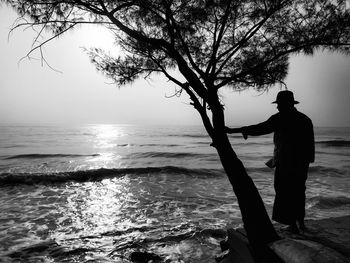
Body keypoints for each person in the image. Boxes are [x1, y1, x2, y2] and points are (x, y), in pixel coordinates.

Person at [226, 90, 315, 233]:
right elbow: (310, 144)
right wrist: (307, 161)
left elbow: (260, 128)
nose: (278, 107)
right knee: (298, 191)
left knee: (284, 192)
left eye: (279, 104)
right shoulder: (305, 119)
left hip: (285, 163)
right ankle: (301, 223)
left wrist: (234, 131)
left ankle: (292, 225)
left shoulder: (280, 118)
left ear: (285, 104)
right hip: (301, 163)